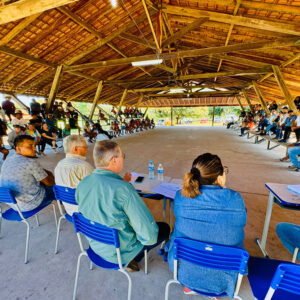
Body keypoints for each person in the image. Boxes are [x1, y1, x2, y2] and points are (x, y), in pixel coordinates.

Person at [76, 140, 170, 272]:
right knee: (164, 228)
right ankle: (133, 258)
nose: (122, 160)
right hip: (118, 253)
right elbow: (148, 236)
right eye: (122, 157)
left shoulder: (83, 183)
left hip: (95, 245)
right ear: (114, 160)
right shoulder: (124, 190)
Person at [167, 153, 247, 297]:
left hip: (183, 272)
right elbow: (241, 222)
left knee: (177, 234)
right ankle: (213, 289)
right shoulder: (235, 199)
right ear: (220, 176)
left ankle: (192, 285)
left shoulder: (181, 196)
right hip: (225, 279)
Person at [0, 135, 55, 212]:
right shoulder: (30, 162)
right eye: (30, 146)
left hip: (14, 205)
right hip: (29, 204)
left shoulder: (7, 160)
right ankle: (69, 207)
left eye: (34, 146)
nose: (35, 149)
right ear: (18, 149)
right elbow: (50, 183)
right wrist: (51, 175)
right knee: (55, 188)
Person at [54, 135, 93, 215]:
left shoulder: (59, 164)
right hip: (85, 213)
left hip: (69, 210)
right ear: (75, 149)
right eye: (85, 147)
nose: (86, 149)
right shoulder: (83, 166)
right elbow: (96, 192)